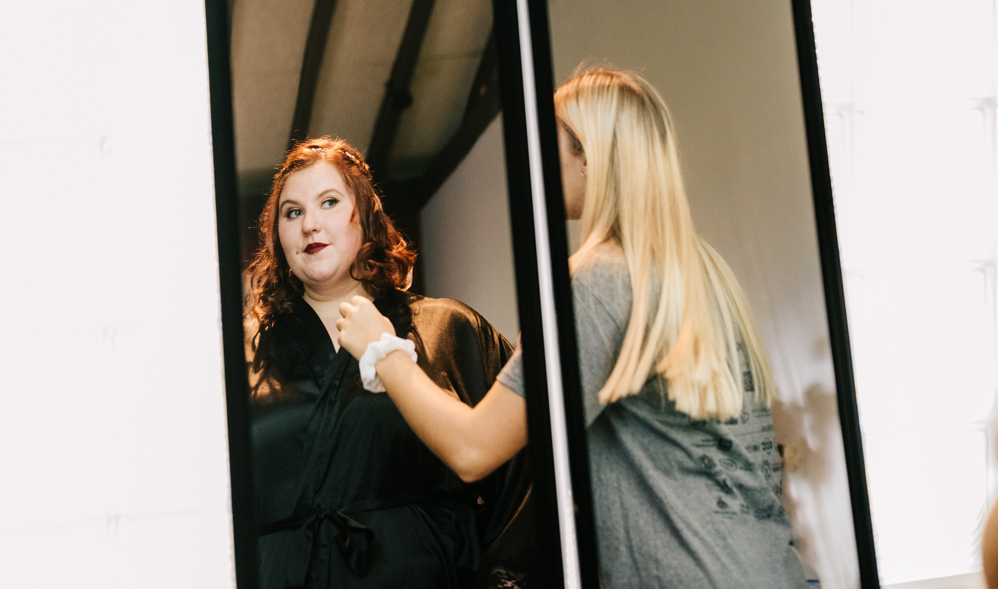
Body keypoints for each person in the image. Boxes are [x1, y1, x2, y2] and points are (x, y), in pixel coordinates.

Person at [337, 68, 805, 589]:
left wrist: (382, 351)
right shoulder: (705, 271)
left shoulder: (598, 282)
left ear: (590, 156)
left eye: (550, 143)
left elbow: (473, 450)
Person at [245, 136, 537, 589]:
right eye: (293, 212)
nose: (310, 225)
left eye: (328, 202)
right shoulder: (247, 360)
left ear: (365, 216)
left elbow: (524, 474)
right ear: (277, 237)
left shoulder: (447, 329)